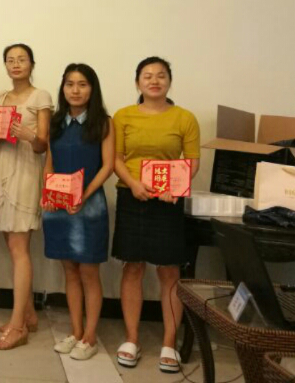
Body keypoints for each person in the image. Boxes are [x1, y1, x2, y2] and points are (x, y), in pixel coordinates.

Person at [112, 56, 200, 373]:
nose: (154, 80)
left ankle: (169, 342)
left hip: (168, 201)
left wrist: (175, 187)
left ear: (169, 82)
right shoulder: (123, 116)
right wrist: (134, 183)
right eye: (147, 75)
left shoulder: (185, 118)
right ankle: (131, 339)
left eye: (161, 75)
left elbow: (192, 161)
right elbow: (116, 158)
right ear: (137, 82)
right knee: (132, 267)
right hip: (132, 196)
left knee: (169, 271)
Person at [43, 64, 114, 361]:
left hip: (90, 205)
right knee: (69, 270)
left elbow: (108, 165)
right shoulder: (56, 122)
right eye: (70, 84)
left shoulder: (104, 123)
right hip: (59, 205)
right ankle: (75, 331)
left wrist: (84, 194)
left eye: (82, 84)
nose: (75, 90)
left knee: (88, 271)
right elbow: (49, 161)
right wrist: (47, 192)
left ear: (92, 89)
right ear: (63, 88)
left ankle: (90, 336)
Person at [0, 43, 53, 350]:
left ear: (31, 64)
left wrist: (28, 135)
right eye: (10, 60)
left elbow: (42, 144)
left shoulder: (41, 97)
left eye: (21, 59)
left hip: (25, 170)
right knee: (11, 245)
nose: (15, 64)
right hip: (1, 168)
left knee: (19, 246)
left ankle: (17, 326)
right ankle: (29, 315)